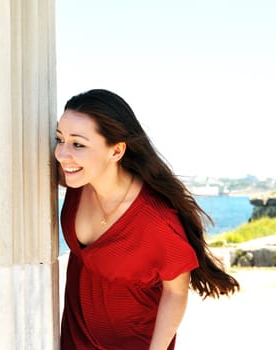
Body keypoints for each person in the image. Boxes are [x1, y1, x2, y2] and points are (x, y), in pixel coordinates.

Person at [55, 89, 239, 350]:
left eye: (78, 144)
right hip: (76, 337)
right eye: (59, 138)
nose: (62, 153)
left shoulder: (155, 220)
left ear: (116, 151)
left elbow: (175, 292)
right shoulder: (77, 179)